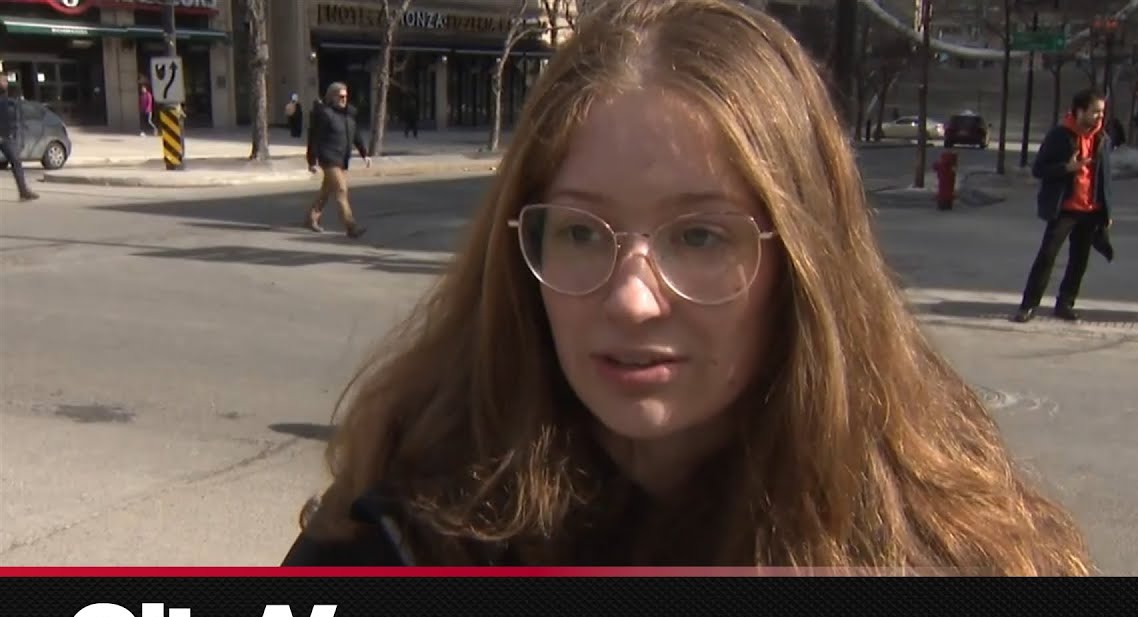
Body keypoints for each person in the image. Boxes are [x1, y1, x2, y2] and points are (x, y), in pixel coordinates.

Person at [282, 0, 1092, 574]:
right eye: (580, 232)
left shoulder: (946, 551)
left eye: (700, 236)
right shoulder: (398, 542)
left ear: (804, 263)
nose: (632, 301)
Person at [1011, 89, 1114, 323]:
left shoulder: (1102, 138)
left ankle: (1066, 303)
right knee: (1047, 255)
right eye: (1095, 112)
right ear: (1080, 111)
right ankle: (1029, 305)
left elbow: (1105, 177)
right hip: (1064, 207)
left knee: (1079, 260)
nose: (1100, 116)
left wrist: (1106, 210)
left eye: (1102, 112)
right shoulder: (1059, 135)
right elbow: (1039, 169)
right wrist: (1066, 169)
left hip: (1090, 209)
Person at [304, 81, 371, 239]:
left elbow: (356, 135)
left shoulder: (348, 115)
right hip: (328, 158)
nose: (344, 99)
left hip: (341, 159)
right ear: (332, 97)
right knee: (341, 189)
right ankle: (351, 226)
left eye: (345, 96)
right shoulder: (325, 114)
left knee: (326, 190)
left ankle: (311, 218)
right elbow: (315, 138)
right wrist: (312, 161)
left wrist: (364, 154)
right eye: (341, 96)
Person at [0, 74, 39, 201]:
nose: (5, 83)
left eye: (6, 81)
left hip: (6, 136)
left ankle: (23, 191)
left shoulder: (6, 98)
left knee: (16, 162)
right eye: (2, 81)